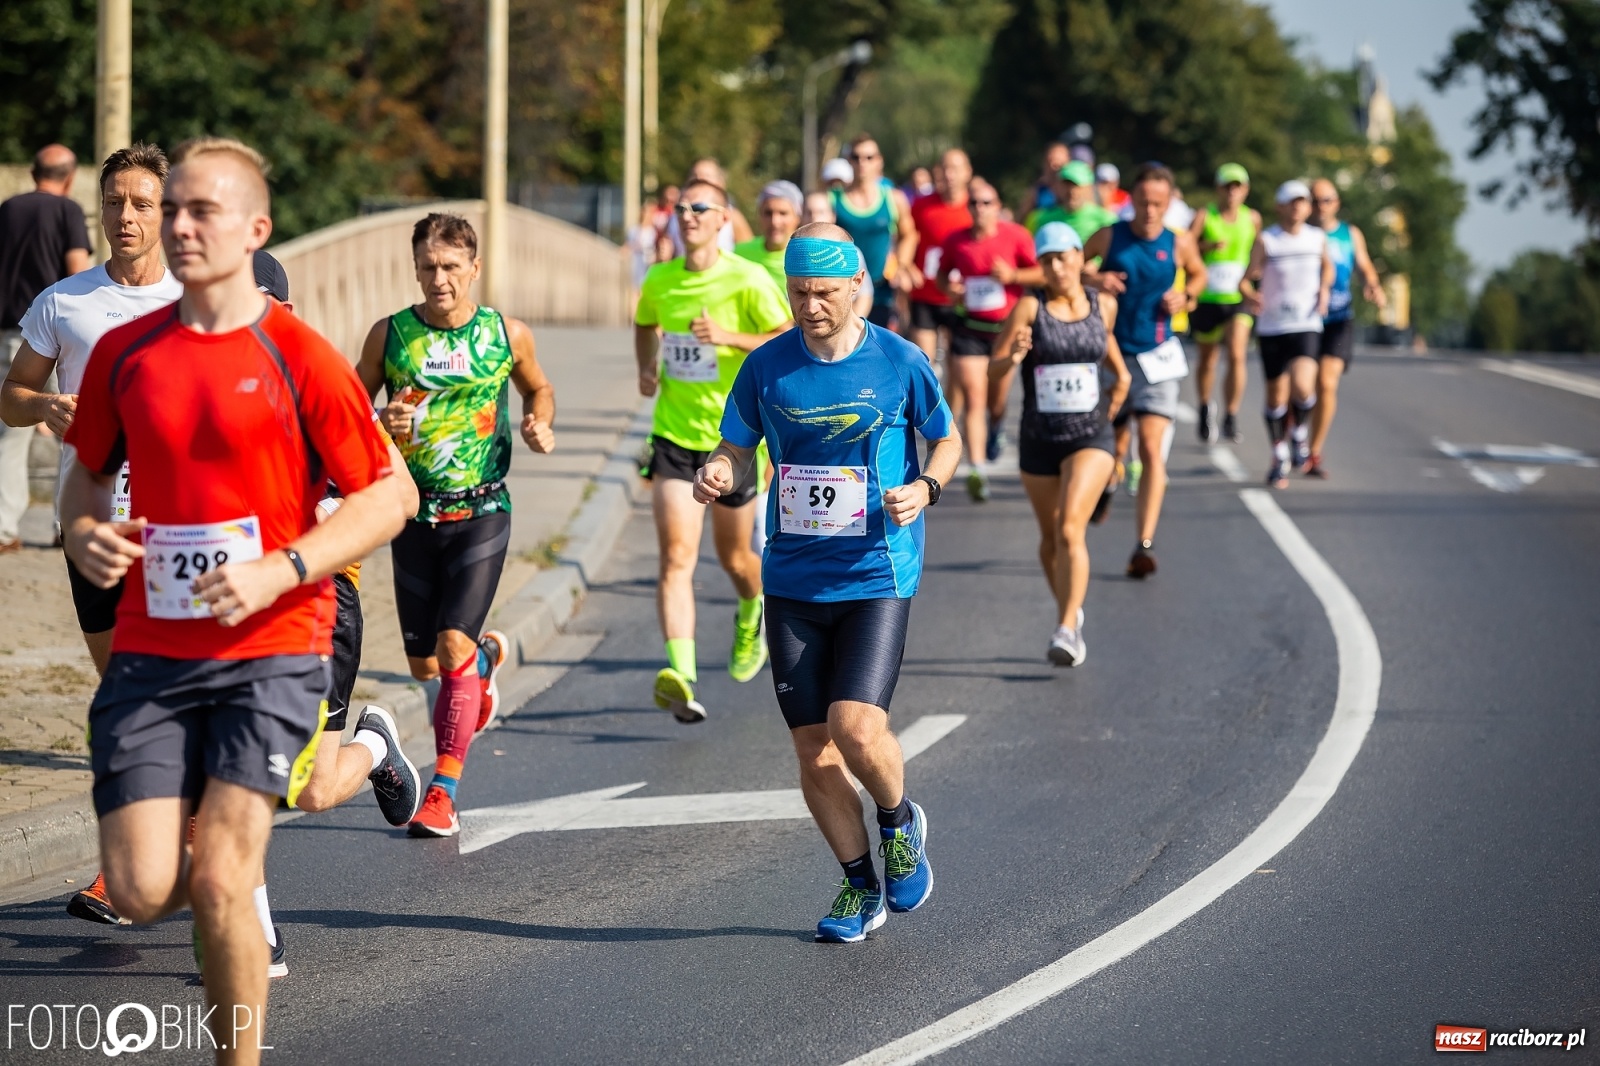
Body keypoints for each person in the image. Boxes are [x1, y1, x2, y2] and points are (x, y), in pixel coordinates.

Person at [60, 136, 409, 1065]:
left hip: (274, 643)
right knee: (136, 888)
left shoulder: (300, 356)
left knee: (220, 874)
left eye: (198, 210)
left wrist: (285, 568)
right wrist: (85, 529)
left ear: (255, 231)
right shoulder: (125, 352)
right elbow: (86, 476)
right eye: (168, 208)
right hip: (151, 644)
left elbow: (390, 494)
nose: (175, 226)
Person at [693, 223, 960, 942]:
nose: (810, 306)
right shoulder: (768, 368)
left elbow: (948, 435)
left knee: (855, 727)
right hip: (792, 578)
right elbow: (736, 447)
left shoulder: (899, 361)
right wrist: (722, 472)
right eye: (799, 293)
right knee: (813, 748)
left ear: (857, 288)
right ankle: (858, 885)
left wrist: (928, 487)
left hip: (876, 571)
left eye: (824, 294)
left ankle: (900, 822)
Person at [357, 211, 557, 837]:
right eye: (427, 267)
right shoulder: (390, 336)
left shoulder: (505, 333)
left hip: (482, 510)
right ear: (414, 269)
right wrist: (380, 426)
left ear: (474, 268)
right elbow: (348, 411)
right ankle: (485, 670)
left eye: (450, 267)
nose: (439, 278)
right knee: (424, 666)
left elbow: (538, 389)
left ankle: (443, 790)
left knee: (451, 651)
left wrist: (538, 422)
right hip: (412, 513)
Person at [634, 178, 792, 723]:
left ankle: (753, 607)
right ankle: (682, 672)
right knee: (677, 557)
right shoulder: (661, 278)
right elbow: (643, 322)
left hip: (737, 443)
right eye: (681, 207)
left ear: (723, 217)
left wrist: (729, 336)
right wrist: (644, 367)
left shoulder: (747, 279)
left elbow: (786, 336)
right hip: (674, 436)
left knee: (735, 558)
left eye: (700, 207)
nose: (688, 215)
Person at [989, 223, 1130, 665]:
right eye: (1046, 260)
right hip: (1040, 438)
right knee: (1050, 538)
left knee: (1071, 527)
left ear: (1078, 257)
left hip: (1090, 436)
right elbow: (994, 370)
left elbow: (1113, 360)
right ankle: (1071, 607)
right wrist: (1012, 357)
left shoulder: (1102, 304)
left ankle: (1067, 628)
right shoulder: (1030, 308)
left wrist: (1116, 402)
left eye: (1063, 257)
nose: (1056, 266)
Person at [1083, 163, 1206, 577]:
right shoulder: (1110, 235)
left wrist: (1186, 295)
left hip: (1158, 357)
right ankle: (1111, 482)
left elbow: (1200, 274)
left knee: (1151, 448)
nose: (1150, 210)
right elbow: (1072, 268)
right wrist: (1096, 278)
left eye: (1158, 203)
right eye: (1143, 202)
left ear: (1170, 203)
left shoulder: (1179, 242)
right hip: (1112, 355)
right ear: (1130, 200)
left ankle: (1144, 543)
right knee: (1112, 446)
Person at [0, 144, 93, 553]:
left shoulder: (8, 209)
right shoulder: (68, 211)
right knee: (76, 425)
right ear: (69, 178)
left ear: (34, 172)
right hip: (57, 330)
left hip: (8, 331)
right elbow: (77, 271)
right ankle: (69, 524)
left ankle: (4, 530)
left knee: (9, 434)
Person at [936, 178, 1041, 501]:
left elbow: (1041, 273)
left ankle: (997, 429)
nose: (979, 209)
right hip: (969, 328)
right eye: (974, 204)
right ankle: (978, 470)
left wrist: (1013, 277)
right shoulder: (957, 241)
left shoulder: (1017, 236)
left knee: (997, 403)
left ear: (997, 207)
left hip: (1004, 331)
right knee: (974, 397)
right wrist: (950, 289)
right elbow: (941, 276)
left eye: (986, 203)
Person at [1241, 180, 1332, 488]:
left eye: (1302, 201)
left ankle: (1299, 434)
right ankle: (1278, 453)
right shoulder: (1268, 240)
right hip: (1272, 326)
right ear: (1279, 206)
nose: (1297, 207)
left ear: (1308, 207)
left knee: (1305, 387)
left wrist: (1324, 288)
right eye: (1291, 201)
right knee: (1276, 396)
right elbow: (1246, 278)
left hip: (1305, 322)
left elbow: (1328, 268)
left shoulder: (1317, 238)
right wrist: (1251, 294)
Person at [1307, 177, 1384, 478]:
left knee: (1326, 383)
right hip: (1306, 320)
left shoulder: (1349, 234)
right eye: (1314, 200)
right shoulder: (1302, 234)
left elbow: (1364, 265)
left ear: (1336, 203)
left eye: (1326, 200)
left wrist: (1372, 285)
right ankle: (1295, 436)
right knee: (1302, 388)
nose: (1320, 206)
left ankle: (1314, 452)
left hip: (1339, 318)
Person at [1188, 163, 1262, 444]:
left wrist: (1256, 275)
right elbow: (1186, 247)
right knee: (1208, 359)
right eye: (1227, 186)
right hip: (1208, 296)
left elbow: (1259, 250)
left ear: (1245, 190)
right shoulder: (1205, 215)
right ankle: (1205, 406)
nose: (1232, 192)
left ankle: (1231, 414)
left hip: (1238, 297)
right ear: (1218, 188)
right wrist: (1207, 247)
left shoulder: (1252, 218)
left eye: (1237, 186)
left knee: (1237, 354)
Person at [830, 134, 917, 331]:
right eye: (856, 157)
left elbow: (909, 234)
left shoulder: (893, 198)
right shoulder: (833, 199)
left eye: (869, 157)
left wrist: (901, 264)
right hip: (844, 290)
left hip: (882, 290)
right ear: (848, 161)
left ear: (879, 161)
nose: (862, 163)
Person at [906, 148, 973, 363]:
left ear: (967, 172)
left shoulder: (976, 207)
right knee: (924, 363)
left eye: (954, 169)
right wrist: (907, 265)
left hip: (960, 298)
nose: (948, 174)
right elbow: (907, 237)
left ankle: (950, 399)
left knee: (957, 367)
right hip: (925, 294)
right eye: (944, 168)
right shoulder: (921, 205)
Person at [658, 159, 753, 260]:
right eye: (694, 176)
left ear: (721, 182)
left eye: (706, 176)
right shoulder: (677, 216)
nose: (699, 179)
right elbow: (663, 256)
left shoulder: (733, 217)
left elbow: (750, 254)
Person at [1024, 161, 1118, 244]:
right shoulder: (1039, 219)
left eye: (1077, 185)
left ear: (1089, 188)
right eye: (1066, 184)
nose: (1071, 191)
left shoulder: (1107, 221)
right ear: (1058, 186)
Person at [735, 180, 804, 289]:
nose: (774, 222)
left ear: (797, 218)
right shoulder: (739, 254)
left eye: (783, 213)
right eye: (768, 213)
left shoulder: (806, 258)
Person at [1017, 142, 1070, 220]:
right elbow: (1021, 216)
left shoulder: (1077, 188)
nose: (1053, 167)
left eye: (1058, 164)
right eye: (1050, 162)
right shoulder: (1038, 190)